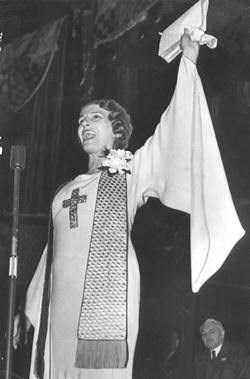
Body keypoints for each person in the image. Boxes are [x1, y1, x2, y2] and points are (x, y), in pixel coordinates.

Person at [14, 30, 201, 379]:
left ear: (116, 129)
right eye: (80, 121)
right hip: (61, 301)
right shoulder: (65, 190)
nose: (84, 124)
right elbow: (49, 253)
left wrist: (188, 61)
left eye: (95, 117)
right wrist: (29, 307)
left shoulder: (128, 171)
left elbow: (171, 133)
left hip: (106, 301)